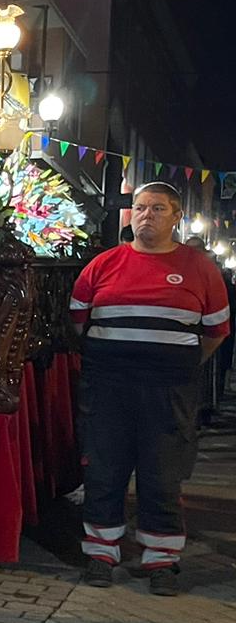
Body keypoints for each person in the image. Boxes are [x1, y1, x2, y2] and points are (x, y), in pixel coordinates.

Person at [70, 182, 230, 596]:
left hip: (169, 388)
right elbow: (78, 323)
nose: (146, 216)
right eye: (140, 208)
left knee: (162, 473)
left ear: (176, 216)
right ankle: (100, 555)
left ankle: (161, 560)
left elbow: (215, 332)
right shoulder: (102, 265)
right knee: (105, 469)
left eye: (158, 209)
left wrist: (178, 363)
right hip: (109, 385)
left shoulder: (200, 268)